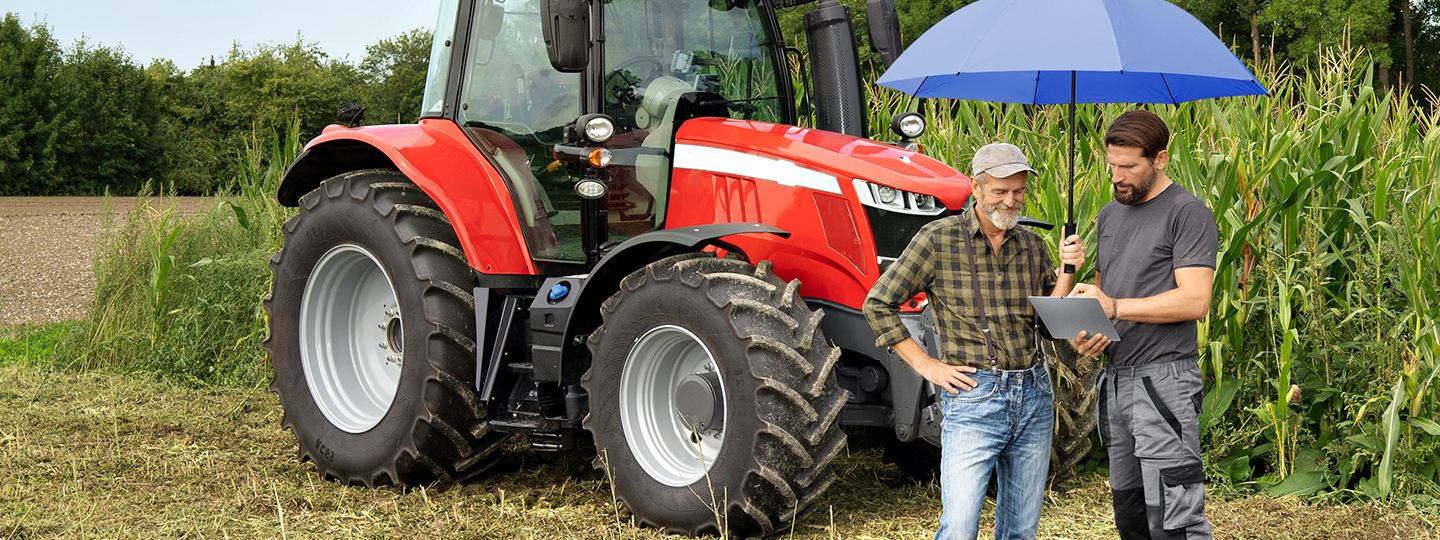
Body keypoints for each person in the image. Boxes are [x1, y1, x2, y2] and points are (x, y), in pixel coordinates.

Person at [863, 142, 1098, 540]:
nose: (1010, 200)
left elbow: (1047, 324)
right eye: (999, 191)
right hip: (975, 396)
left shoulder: (1032, 246)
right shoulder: (937, 240)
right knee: (959, 528)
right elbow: (878, 303)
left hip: (1034, 395)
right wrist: (926, 365)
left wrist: (1068, 270)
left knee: (1021, 530)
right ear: (975, 187)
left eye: (1019, 191)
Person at [1070, 109, 1218, 540]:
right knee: (1130, 513)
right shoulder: (1110, 214)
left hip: (1164, 381)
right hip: (1114, 382)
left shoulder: (1186, 212)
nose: (1117, 177)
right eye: (1112, 165)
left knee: (1174, 516)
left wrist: (1114, 307)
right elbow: (1103, 295)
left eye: (1129, 167)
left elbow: (1196, 299)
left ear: (1161, 159)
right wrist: (1090, 330)